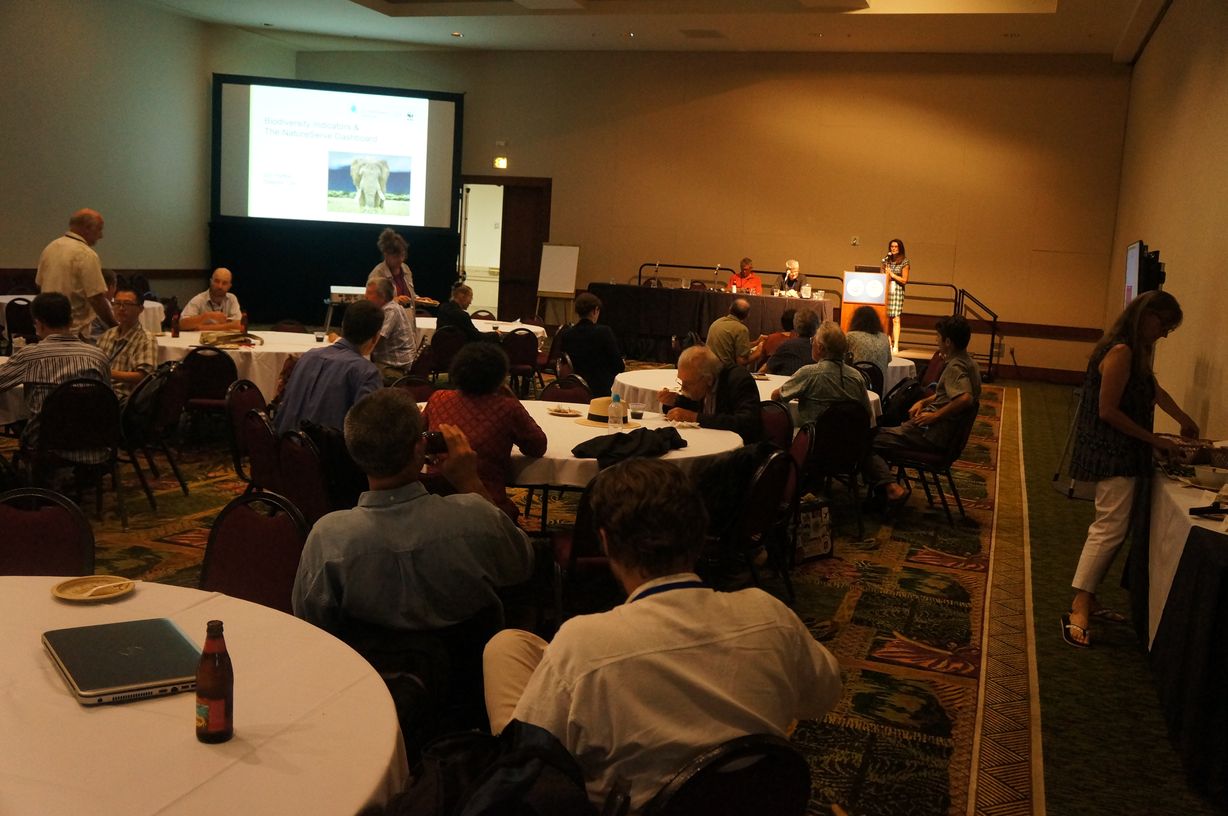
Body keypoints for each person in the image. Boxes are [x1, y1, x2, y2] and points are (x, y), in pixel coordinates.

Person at [481, 458, 842, 812]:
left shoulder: (582, 642)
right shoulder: (770, 615)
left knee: (509, 655)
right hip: (759, 797)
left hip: (631, 804)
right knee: (513, 645)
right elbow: (824, 695)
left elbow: (536, 755)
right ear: (701, 534)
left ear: (604, 541)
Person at [292, 387, 535, 636]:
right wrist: (470, 482)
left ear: (355, 453)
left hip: (366, 670)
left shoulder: (328, 538)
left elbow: (310, 625)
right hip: (469, 669)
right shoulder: (477, 517)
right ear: (420, 448)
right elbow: (522, 565)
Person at [1062, 291, 1198, 648]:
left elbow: (1152, 389)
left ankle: (1089, 598)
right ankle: (1079, 605)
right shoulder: (1121, 352)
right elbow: (1108, 411)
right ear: (1147, 316)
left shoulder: (1135, 351)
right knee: (1109, 529)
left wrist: (1182, 419)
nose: (1165, 333)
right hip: (1112, 450)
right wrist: (1154, 440)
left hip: (1125, 449)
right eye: (1164, 325)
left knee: (1113, 528)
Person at [863, 315, 982, 504]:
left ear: (948, 342)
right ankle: (883, 491)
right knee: (875, 437)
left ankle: (891, 489)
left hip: (931, 435)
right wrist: (926, 402)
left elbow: (965, 398)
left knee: (865, 441)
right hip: (941, 434)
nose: (936, 341)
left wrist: (935, 416)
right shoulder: (970, 363)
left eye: (938, 337)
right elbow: (952, 393)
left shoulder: (955, 367)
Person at [422, 343, 547, 521]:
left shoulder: (438, 398)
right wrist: (514, 399)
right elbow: (537, 446)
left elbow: (416, 435)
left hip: (434, 500)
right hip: (486, 503)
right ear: (500, 376)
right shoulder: (507, 408)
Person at [0, 292, 109, 448]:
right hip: (94, 443)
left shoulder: (30, 356)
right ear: (71, 322)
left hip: (45, 445)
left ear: (38, 324)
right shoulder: (98, 356)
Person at [274, 299, 383, 434]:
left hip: (284, 448)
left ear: (343, 326)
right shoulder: (366, 373)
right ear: (375, 337)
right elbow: (368, 432)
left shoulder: (308, 356)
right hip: (327, 453)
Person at [772, 321, 871, 428]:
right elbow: (867, 413)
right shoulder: (856, 377)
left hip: (815, 440)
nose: (811, 344)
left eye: (812, 341)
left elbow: (776, 397)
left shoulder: (808, 373)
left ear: (821, 348)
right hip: (850, 441)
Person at [35, 208, 116, 337]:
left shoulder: (50, 248)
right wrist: (114, 326)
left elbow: (39, 284)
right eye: (99, 229)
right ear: (87, 228)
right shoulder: (86, 254)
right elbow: (96, 299)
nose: (101, 236)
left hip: (47, 329)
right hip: (74, 330)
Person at [657, 345, 761, 444]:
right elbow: (694, 406)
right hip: (711, 441)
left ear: (709, 379)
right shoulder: (705, 381)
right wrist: (673, 402)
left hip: (740, 450)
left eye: (688, 383)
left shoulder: (738, 380)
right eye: (681, 381)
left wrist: (695, 418)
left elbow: (747, 423)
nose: (682, 388)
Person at [96, 285, 158, 403]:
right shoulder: (107, 335)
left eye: (127, 304)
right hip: (101, 390)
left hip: (124, 398)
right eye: (117, 303)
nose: (121, 308)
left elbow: (144, 377)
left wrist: (109, 373)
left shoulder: (146, 339)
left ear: (140, 309)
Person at [559, 292, 624, 398]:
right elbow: (618, 366)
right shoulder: (604, 332)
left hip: (574, 387)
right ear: (595, 310)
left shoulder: (567, 334)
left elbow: (565, 364)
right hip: (601, 389)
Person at [365, 277, 419, 384]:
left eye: (370, 293)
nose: (365, 296)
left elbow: (376, 340)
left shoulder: (391, 310)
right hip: (390, 363)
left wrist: (349, 344)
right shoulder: (385, 309)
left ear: (382, 296)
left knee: (360, 372)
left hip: (395, 369)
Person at [368, 227, 417, 307]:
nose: (401, 260)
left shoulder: (406, 269)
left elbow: (409, 295)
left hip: (407, 318)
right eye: (396, 256)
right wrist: (395, 300)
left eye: (402, 255)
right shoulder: (377, 275)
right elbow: (372, 303)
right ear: (386, 254)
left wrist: (418, 299)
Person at [765, 307, 819, 376]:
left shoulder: (787, 346)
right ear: (817, 325)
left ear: (796, 325)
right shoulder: (821, 346)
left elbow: (768, 368)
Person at [846, 304, 892, 380]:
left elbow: (841, 359)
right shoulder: (884, 337)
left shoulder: (851, 336)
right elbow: (888, 360)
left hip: (856, 382)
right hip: (879, 384)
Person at [705, 297, 752, 367]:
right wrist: (759, 352)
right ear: (747, 315)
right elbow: (741, 361)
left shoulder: (717, 322)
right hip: (725, 372)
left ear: (730, 308)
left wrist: (756, 342)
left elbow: (733, 346)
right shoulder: (741, 329)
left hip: (710, 368)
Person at [881, 239, 910, 353]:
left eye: (896, 247)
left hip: (897, 290)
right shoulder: (885, 261)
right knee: (887, 318)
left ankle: (896, 344)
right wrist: (885, 274)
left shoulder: (904, 262)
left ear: (900, 248)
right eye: (892, 246)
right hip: (887, 290)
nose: (893, 248)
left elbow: (904, 280)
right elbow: (882, 275)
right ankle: (888, 344)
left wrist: (892, 275)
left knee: (896, 319)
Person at [87, 269, 119, 340]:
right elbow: (114, 328)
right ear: (111, 287)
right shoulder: (102, 303)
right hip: (97, 343)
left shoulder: (88, 300)